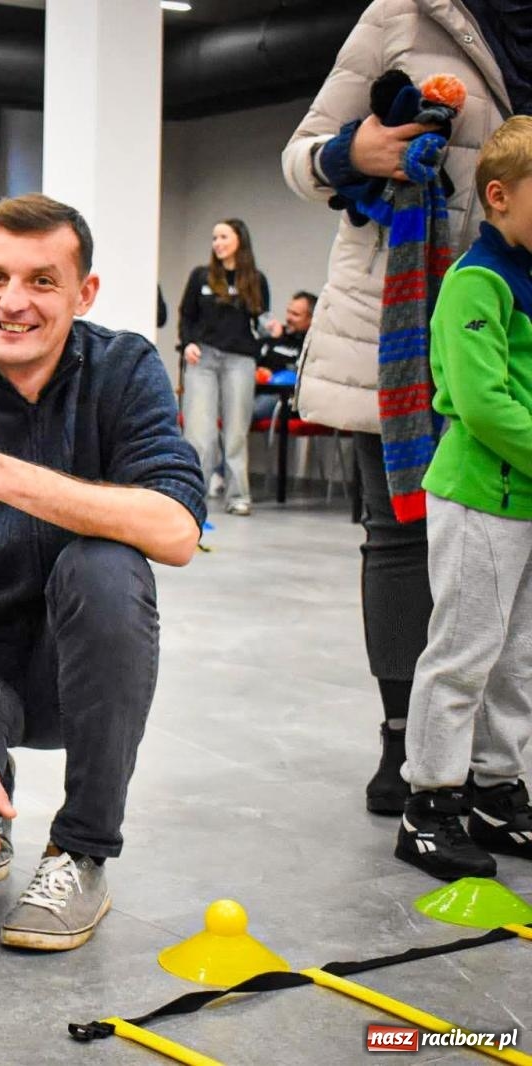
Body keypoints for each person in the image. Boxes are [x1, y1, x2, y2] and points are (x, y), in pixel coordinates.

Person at [0, 194, 204, 952]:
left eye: (42, 282)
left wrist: (3, 476)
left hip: (77, 657)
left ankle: (81, 851)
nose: (12, 303)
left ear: (84, 293)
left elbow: (178, 532)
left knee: (107, 562)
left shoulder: (121, 369)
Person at [282, 0, 515, 817]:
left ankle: (495, 757)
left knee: (510, 544)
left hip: (516, 318)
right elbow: (302, 158)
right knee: (402, 536)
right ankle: (402, 738)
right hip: (404, 317)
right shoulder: (402, 15)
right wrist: (359, 151)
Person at [394, 116, 532, 881]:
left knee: (518, 662)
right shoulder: (476, 281)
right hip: (480, 499)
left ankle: (496, 793)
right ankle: (430, 804)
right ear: (501, 197)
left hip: (529, 501)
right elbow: (482, 403)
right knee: (463, 655)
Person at [178, 218, 270, 517]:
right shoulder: (201, 276)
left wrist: (273, 330)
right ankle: (193, 494)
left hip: (239, 361)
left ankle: (239, 496)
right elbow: (186, 316)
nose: (217, 243)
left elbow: (260, 321)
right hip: (202, 359)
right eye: (214, 237)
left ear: (239, 240)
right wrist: (188, 342)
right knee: (199, 432)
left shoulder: (255, 279)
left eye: (223, 237)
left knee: (236, 432)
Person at [253, 290, 317, 422]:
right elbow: (252, 360)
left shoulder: (313, 345)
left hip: (283, 397)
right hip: (256, 390)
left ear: (311, 319)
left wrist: (272, 376)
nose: (288, 318)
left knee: (245, 412)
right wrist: (272, 339)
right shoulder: (277, 335)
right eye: (288, 312)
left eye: (295, 314)